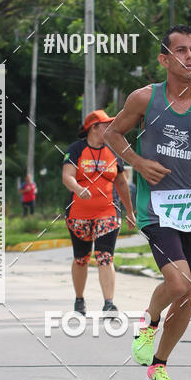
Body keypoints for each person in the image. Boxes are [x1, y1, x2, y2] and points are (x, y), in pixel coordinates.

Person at [104, 24, 191, 380]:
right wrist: (136, 162)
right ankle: (149, 323)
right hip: (156, 206)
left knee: (190, 292)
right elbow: (112, 134)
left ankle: (159, 366)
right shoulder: (144, 99)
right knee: (178, 282)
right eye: (182, 50)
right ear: (165, 58)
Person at [62, 109, 136, 316]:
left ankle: (109, 303)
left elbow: (121, 182)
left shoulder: (113, 150)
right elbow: (67, 176)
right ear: (93, 127)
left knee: (105, 256)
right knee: (81, 258)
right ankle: (79, 299)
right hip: (78, 214)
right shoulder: (76, 149)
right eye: (106, 125)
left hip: (108, 212)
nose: (110, 128)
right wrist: (77, 188)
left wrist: (130, 211)